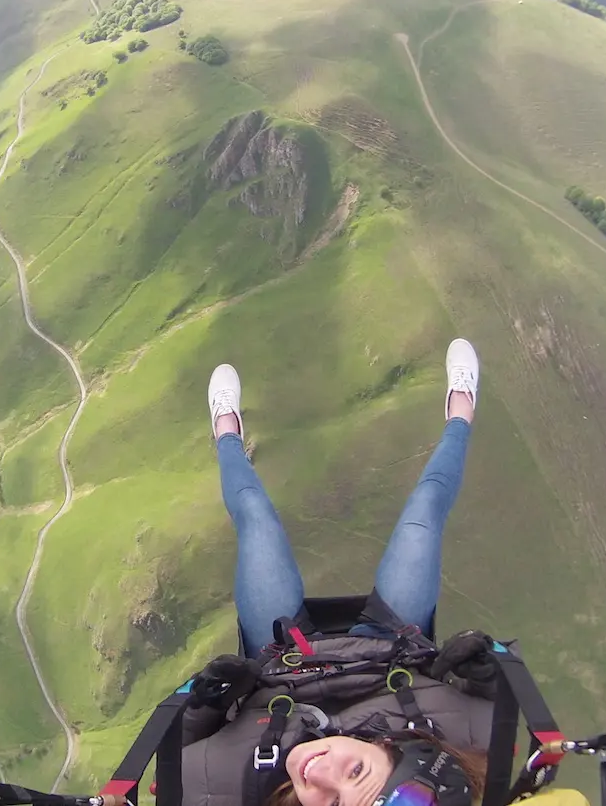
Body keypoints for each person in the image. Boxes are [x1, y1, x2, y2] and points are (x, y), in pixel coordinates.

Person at [179, 339, 497, 806]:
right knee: (424, 511)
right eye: (356, 770)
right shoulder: (456, 768)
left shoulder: (223, 789)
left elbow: (176, 757)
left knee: (255, 518)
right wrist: (480, 673)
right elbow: (496, 710)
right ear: (390, 746)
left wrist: (206, 705)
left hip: (280, 659)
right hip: (390, 649)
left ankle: (226, 431)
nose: (321, 771)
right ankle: (461, 413)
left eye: (331, 805)